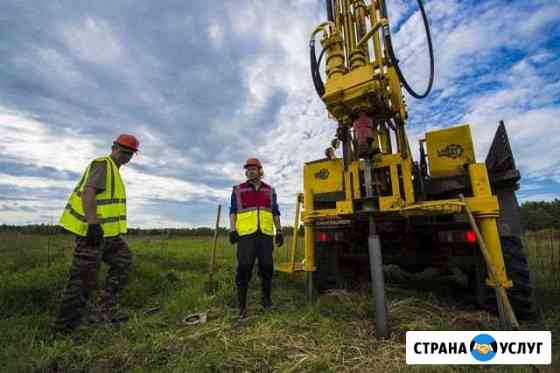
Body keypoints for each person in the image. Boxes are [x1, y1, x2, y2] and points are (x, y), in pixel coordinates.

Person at [54, 134, 139, 332]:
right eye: (124, 151)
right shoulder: (102, 164)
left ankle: (103, 311)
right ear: (114, 147)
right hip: (91, 235)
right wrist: (93, 224)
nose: (126, 156)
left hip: (109, 237)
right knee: (82, 280)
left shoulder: (114, 171)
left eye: (130, 154)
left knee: (124, 261)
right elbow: (89, 192)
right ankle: (63, 329)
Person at [229, 158, 283, 318]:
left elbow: (275, 212)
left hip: (265, 235)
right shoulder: (238, 189)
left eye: (253, 168)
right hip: (246, 236)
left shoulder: (270, 190)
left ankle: (266, 301)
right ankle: (242, 307)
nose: (250, 171)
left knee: (267, 268)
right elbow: (233, 211)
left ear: (260, 171)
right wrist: (232, 230)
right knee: (244, 269)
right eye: (247, 169)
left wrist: (279, 231)